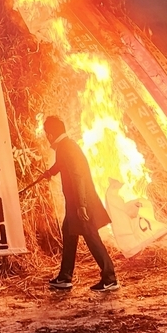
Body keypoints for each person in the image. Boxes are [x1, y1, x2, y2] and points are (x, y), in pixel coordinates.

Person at [42, 116, 119, 292]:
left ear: (51, 134)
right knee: (68, 233)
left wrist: (81, 204)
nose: (46, 137)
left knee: (91, 237)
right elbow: (62, 164)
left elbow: (77, 176)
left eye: (47, 133)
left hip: (80, 203)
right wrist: (49, 173)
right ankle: (65, 277)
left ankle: (110, 278)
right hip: (75, 203)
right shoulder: (65, 146)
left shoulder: (66, 148)